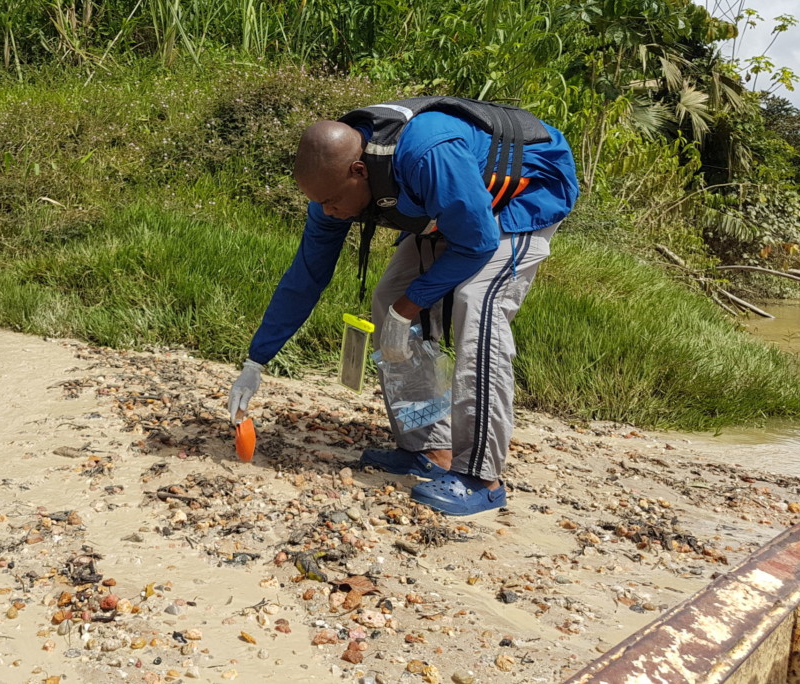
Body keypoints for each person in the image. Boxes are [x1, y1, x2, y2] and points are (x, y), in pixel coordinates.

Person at [226, 96, 578, 516]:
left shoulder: (428, 153)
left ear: (359, 171)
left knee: (477, 305)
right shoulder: (330, 191)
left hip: (522, 194)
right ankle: (431, 448)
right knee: (387, 299)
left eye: (333, 201)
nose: (328, 211)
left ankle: (482, 478)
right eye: (319, 202)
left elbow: (479, 241)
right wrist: (256, 361)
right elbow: (306, 277)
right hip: (453, 204)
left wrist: (411, 307)